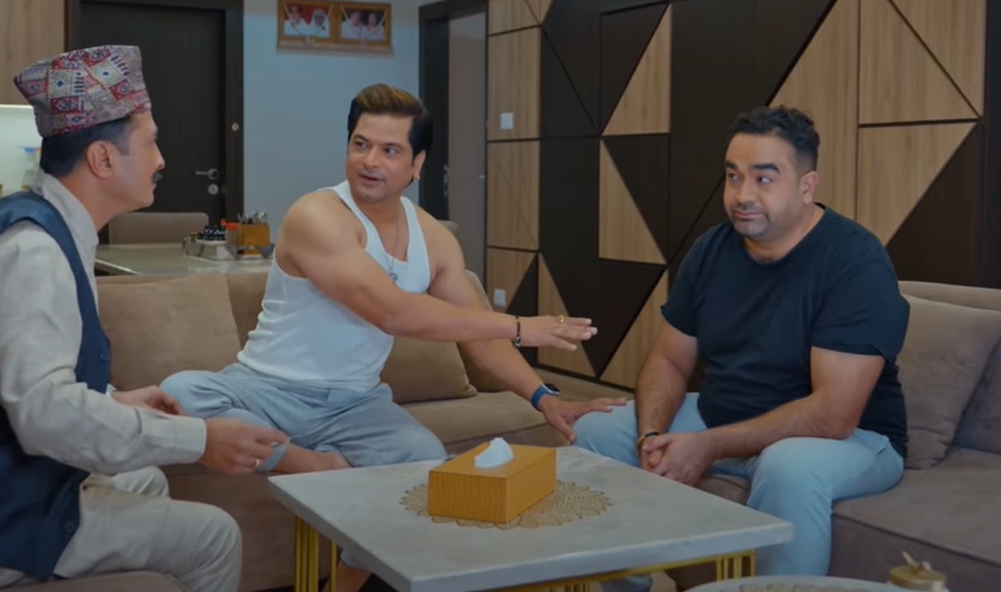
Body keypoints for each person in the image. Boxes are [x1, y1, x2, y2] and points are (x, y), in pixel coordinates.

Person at [162, 83, 626, 592]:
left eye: (389, 150)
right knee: (183, 393)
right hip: (263, 389)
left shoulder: (434, 239)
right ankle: (315, 467)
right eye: (360, 144)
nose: (370, 161)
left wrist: (545, 398)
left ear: (416, 164)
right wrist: (518, 325)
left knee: (422, 461)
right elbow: (391, 312)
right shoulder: (317, 215)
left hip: (356, 405)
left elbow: (477, 339)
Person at [0, 45, 287, 592]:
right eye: (150, 142)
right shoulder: (32, 254)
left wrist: (114, 400)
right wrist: (199, 439)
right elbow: (46, 416)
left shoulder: (46, 228)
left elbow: (23, 381)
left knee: (143, 479)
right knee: (215, 536)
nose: (161, 160)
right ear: (103, 160)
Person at [573, 106, 909, 589]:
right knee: (598, 432)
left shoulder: (854, 262)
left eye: (763, 179)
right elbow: (668, 360)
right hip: (723, 415)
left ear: (807, 186)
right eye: (734, 176)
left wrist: (707, 446)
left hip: (852, 441)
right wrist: (651, 436)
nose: (742, 195)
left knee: (789, 466)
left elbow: (834, 416)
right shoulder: (711, 250)